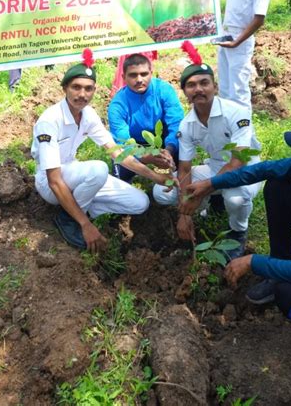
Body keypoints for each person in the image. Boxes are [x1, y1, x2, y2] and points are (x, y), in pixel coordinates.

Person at [181, 115, 291, 325]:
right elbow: (266, 169)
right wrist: (212, 183)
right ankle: (281, 266)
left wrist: (255, 262)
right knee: (277, 185)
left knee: (290, 298)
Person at [31, 49, 174, 253]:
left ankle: (80, 211)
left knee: (139, 203)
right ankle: (69, 219)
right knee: (98, 168)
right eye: (76, 88)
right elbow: (53, 179)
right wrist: (86, 227)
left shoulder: (88, 115)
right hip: (49, 184)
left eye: (88, 89)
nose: (82, 94)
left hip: (74, 174)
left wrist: (154, 177)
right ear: (64, 88)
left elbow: (118, 153)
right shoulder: (50, 121)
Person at [153, 41, 261, 259]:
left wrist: (203, 190)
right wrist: (184, 210)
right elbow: (184, 169)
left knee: (235, 199)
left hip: (247, 169)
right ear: (185, 92)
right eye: (191, 85)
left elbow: (238, 161)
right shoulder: (187, 125)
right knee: (161, 192)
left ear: (215, 87)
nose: (198, 89)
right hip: (215, 167)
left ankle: (238, 232)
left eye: (204, 83)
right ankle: (212, 201)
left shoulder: (236, 113)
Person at [108, 53, 184, 183]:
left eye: (144, 74)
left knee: (182, 144)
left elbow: (176, 124)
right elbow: (121, 141)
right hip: (133, 143)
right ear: (123, 77)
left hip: (163, 140)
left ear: (151, 73)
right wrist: (143, 157)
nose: (139, 79)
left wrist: (169, 150)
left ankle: (177, 180)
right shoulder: (117, 105)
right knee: (120, 166)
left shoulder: (164, 90)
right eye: (133, 75)